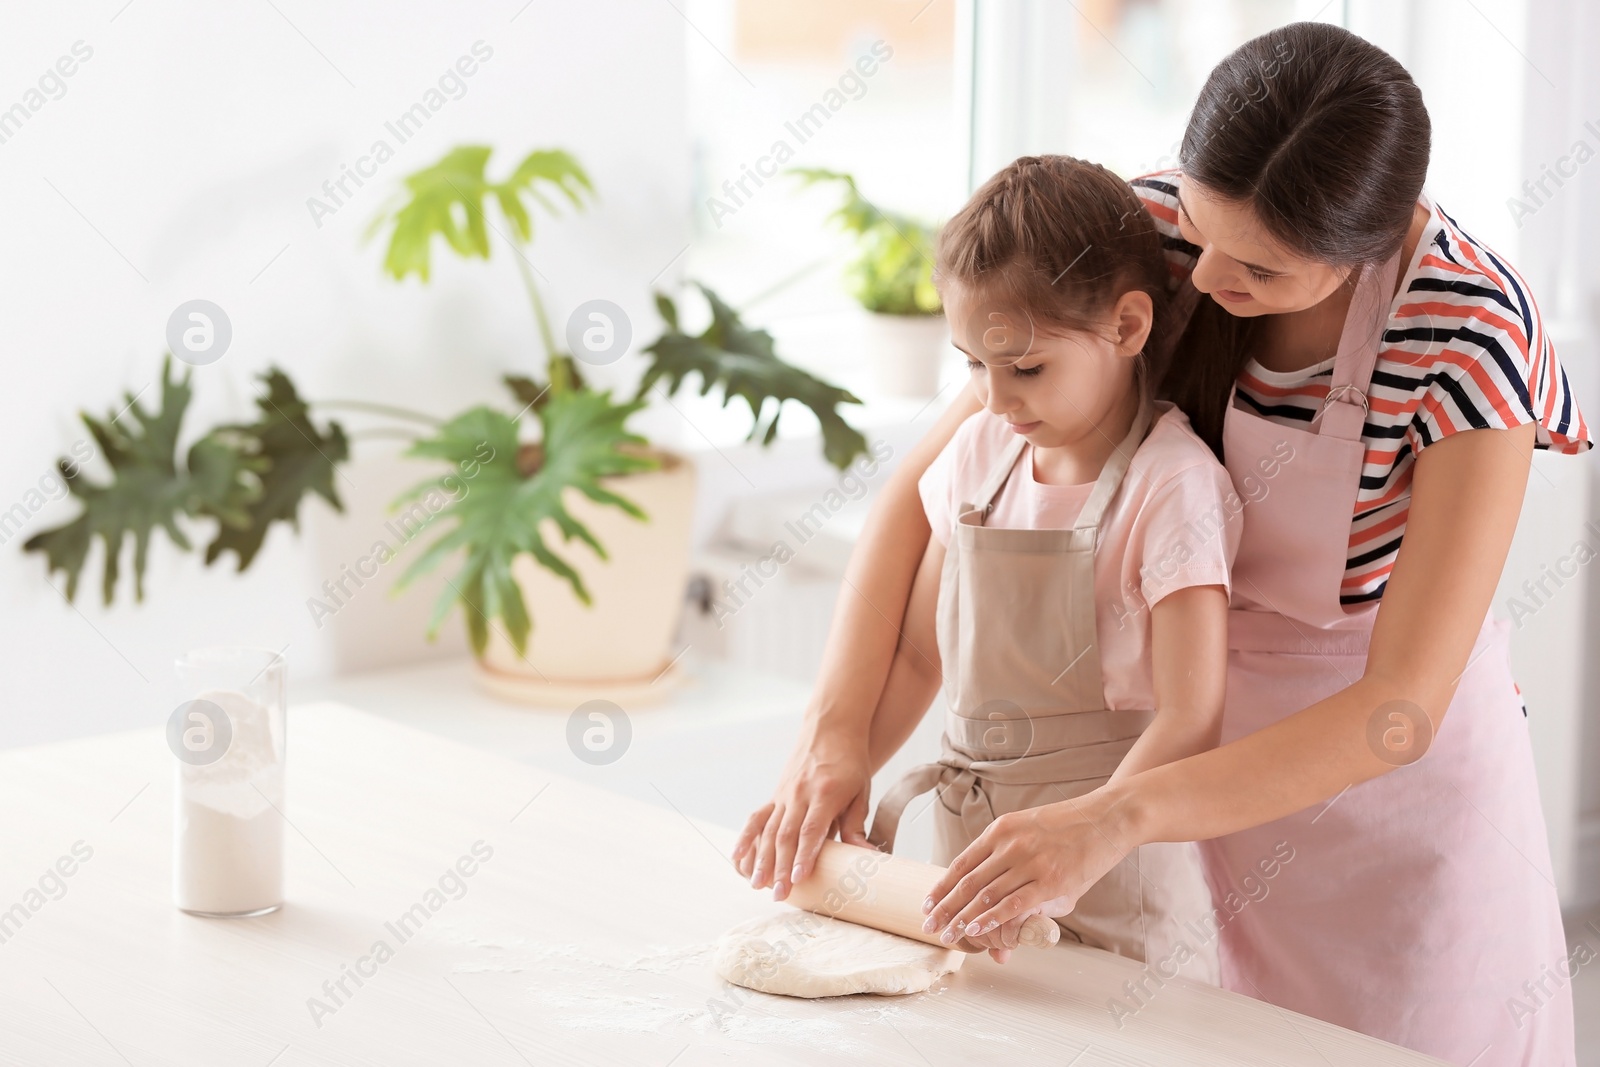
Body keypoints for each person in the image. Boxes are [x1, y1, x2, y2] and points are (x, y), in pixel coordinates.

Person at [733, 21, 1590, 1066]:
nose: (1206, 267)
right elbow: (923, 495)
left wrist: (1116, 814)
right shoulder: (1143, 229)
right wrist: (836, 735)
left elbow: (1396, 708)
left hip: (1385, 806)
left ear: (1361, 247)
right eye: (1201, 222)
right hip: (1167, 761)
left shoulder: (1470, 331)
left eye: (1260, 267)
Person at [851, 154, 1240, 980]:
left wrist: (1087, 839)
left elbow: (1192, 716)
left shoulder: (1173, 488)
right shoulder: (976, 457)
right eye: (972, 365)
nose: (995, 399)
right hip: (971, 866)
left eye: (1026, 367)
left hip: (1118, 887)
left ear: (1128, 328)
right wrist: (855, 767)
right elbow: (922, 656)